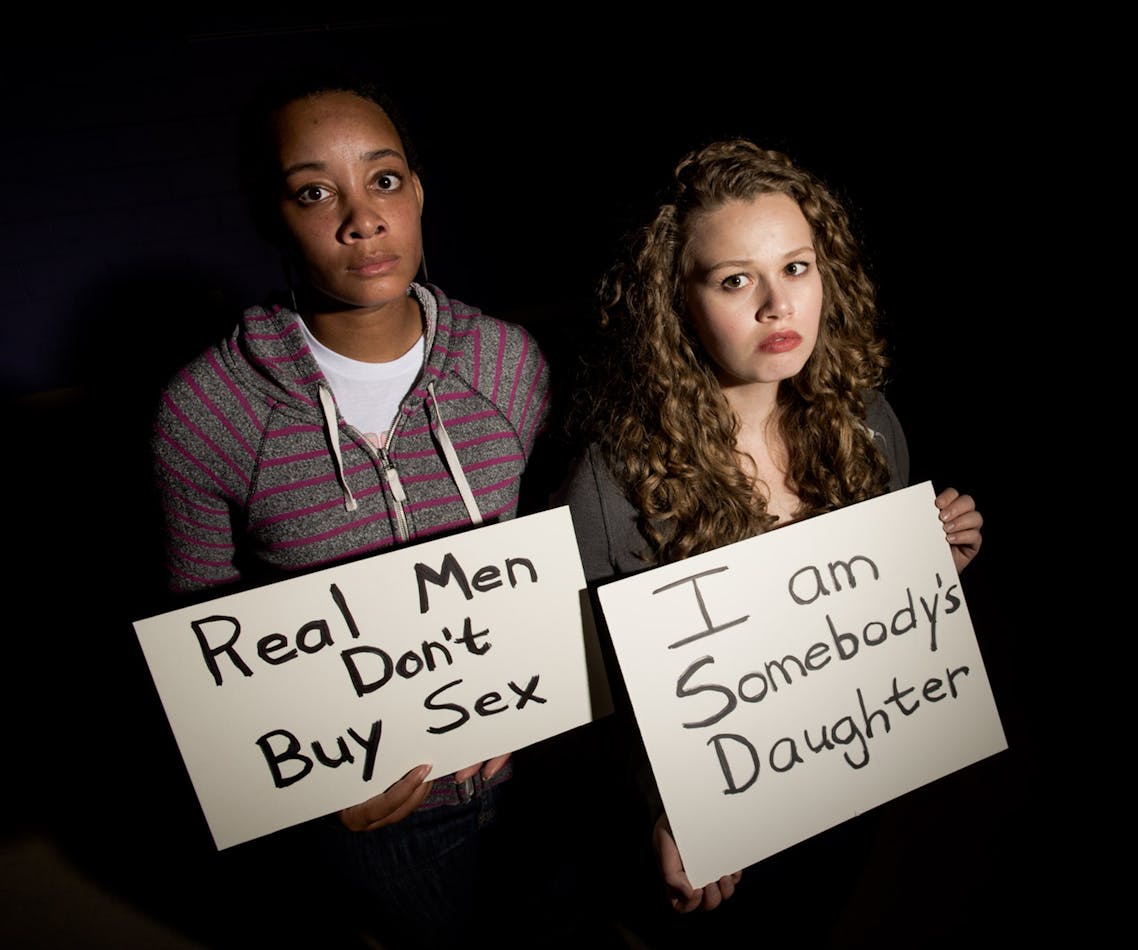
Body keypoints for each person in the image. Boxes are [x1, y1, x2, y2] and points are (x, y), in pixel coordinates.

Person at [149, 68, 550, 948]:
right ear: (272, 217)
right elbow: (201, 635)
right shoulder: (206, 413)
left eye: (384, 179)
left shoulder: (510, 366)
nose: (361, 218)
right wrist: (299, 789)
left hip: (539, 776)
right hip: (381, 817)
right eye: (313, 191)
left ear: (417, 195)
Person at [561, 139, 985, 941]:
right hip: (710, 851)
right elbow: (593, 709)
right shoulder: (611, 483)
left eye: (796, 267)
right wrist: (665, 813)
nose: (777, 305)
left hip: (844, 794)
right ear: (675, 304)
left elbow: (863, 638)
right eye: (734, 280)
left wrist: (931, 574)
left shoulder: (864, 421)